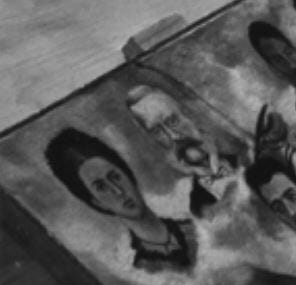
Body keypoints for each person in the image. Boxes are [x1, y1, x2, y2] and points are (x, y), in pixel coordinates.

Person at [45, 127, 197, 273]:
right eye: (101, 187)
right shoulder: (139, 266)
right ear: (96, 202)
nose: (118, 191)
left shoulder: (192, 220)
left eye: (115, 177)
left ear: (128, 175)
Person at [125, 85, 242, 217]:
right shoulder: (187, 199)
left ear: (188, 113)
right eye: (157, 131)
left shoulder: (241, 154)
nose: (173, 136)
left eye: (173, 120)